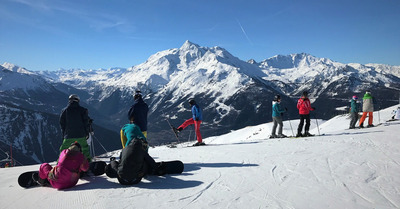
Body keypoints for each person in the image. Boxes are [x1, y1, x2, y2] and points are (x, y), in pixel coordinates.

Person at [59, 94, 92, 161]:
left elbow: (62, 124)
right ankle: (87, 163)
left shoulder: (64, 110)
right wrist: (87, 133)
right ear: (78, 100)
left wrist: (64, 135)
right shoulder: (83, 110)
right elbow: (86, 123)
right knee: (84, 148)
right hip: (81, 134)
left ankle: (60, 163)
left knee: (63, 149)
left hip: (68, 135)